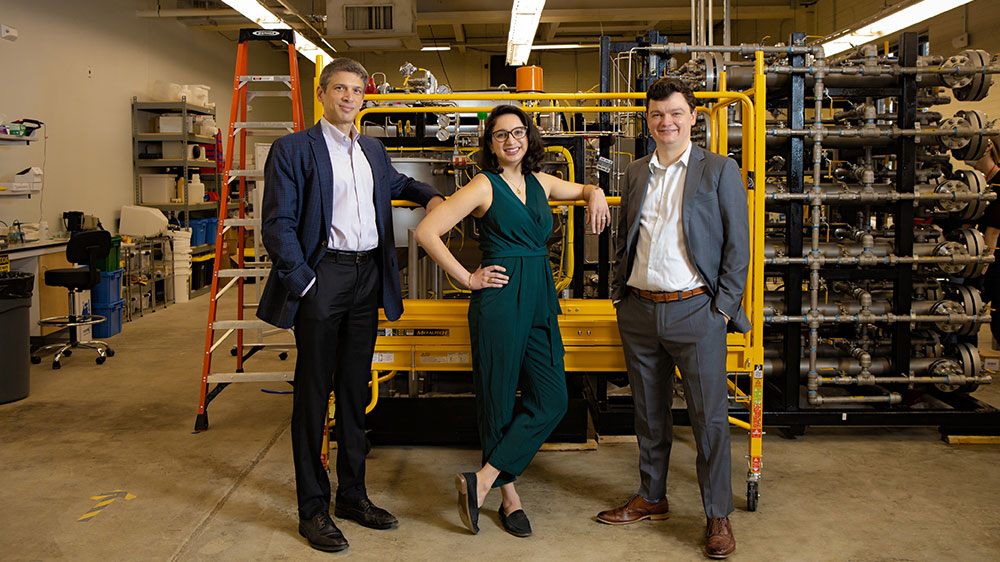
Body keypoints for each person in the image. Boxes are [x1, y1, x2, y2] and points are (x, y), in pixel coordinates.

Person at [257, 57, 443, 553]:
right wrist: (305, 283)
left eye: (357, 91)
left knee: (356, 392)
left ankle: (353, 495)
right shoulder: (294, 148)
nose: (348, 98)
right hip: (324, 276)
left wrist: (431, 196)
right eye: (339, 88)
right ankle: (313, 508)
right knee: (314, 395)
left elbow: (399, 185)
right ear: (322, 93)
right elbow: (277, 224)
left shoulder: (374, 150)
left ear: (365, 98)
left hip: (368, 277)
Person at [414, 105, 610, 537]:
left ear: (529, 137)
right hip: (499, 296)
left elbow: (583, 189)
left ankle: (481, 480)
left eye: (517, 132)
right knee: (498, 397)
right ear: (490, 144)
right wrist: (467, 278)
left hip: (539, 293)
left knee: (552, 397)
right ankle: (509, 496)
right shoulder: (484, 185)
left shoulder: (541, 181)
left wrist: (595, 192)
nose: (510, 141)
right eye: (500, 135)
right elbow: (426, 231)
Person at [599, 77, 750, 560]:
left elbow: (737, 247)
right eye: (657, 115)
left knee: (709, 420)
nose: (667, 122)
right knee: (649, 415)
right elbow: (628, 236)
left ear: (693, 117)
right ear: (648, 120)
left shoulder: (719, 170)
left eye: (676, 113)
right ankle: (653, 497)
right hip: (640, 311)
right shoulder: (637, 171)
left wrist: (722, 310)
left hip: (697, 311)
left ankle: (717, 516)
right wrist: (621, 298)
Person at [970, 137, 1000, 347]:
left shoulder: (999, 183)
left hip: (995, 265)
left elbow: (993, 232)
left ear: (988, 147)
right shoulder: (985, 183)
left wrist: (983, 268)